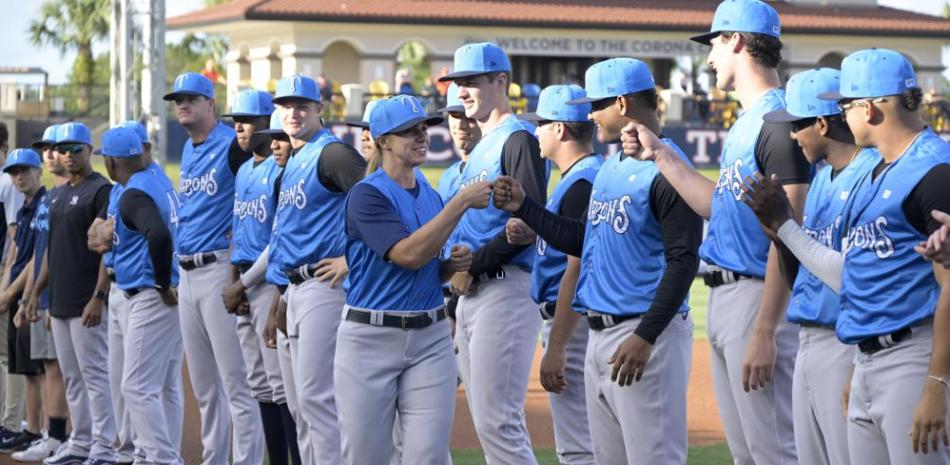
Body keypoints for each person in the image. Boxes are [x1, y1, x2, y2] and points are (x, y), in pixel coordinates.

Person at [739, 48, 950, 465]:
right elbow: (859, 277)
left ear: (868, 108)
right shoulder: (880, 173)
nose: (841, 116)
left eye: (847, 106)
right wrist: (859, 360)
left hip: (914, 353)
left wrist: (937, 381)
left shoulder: (934, 171)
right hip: (867, 354)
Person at [622, 2, 812, 463]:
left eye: (714, 43)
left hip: (758, 299)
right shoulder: (747, 123)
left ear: (736, 40)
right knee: (749, 454)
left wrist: (767, 329)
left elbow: (790, 231)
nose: (708, 58)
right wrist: (661, 155)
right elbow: (718, 207)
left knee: (776, 451)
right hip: (731, 299)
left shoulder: (777, 122)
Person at [495, 58, 703, 465]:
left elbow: (683, 260)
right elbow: (582, 240)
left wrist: (646, 335)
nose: (589, 115)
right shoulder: (612, 166)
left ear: (622, 104)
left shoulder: (668, 168)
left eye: (597, 104)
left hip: (643, 336)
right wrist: (525, 207)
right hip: (600, 336)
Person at [335, 94, 489, 465]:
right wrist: (461, 203)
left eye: (424, 127)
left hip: (430, 339)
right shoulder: (367, 195)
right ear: (383, 140)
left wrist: (451, 266)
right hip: (370, 339)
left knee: (428, 456)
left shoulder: (429, 195)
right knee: (366, 457)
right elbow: (407, 256)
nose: (422, 136)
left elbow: (428, 268)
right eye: (409, 131)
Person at [437, 42, 548, 464]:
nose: (462, 91)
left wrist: (475, 267)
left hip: (505, 289)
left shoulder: (517, 139)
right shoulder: (479, 150)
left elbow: (530, 220)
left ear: (500, 81)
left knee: (498, 421)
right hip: (471, 294)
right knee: (488, 421)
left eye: (471, 82)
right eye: (458, 83)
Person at [762, 67, 878, 465]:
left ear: (823, 123)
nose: (792, 136)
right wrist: (779, 235)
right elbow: (805, 277)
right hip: (808, 341)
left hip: (845, 344)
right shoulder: (823, 177)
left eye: (797, 126)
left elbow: (853, 278)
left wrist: (784, 226)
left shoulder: (871, 175)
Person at [164, 72, 264, 465]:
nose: (183, 104)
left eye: (191, 98)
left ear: (211, 105)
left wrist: (236, 274)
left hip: (219, 267)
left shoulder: (231, 146)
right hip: (186, 274)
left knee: (236, 383)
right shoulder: (189, 149)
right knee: (204, 387)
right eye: (178, 99)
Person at [270, 74, 367, 465]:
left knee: (318, 400)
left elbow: (379, 198)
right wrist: (280, 292)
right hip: (295, 288)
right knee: (300, 406)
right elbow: (285, 236)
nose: (294, 113)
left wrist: (351, 258)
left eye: (302, 106)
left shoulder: (332, 154)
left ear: (319, 110)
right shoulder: (295, 158)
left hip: (323, 287)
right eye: (287, 106)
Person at [86, 120, 182, 465]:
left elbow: (158, 235)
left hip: (149, 294)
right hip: (153, 292)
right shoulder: (155, 179)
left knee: (137, 387)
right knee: (164, 385)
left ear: (111, 162)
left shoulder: (134, 193)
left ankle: (162, 459)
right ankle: (148, 454)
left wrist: (160, 282)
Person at [514, 84, 599, 465]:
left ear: (561, 129)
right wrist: (537, 230)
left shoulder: (581, 183)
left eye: (542, 123)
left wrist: (558, 346)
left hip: (572, 324)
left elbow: (577, 267)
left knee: (578, 446)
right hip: (576, 323)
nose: (536, 132)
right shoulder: (580, 177)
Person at [24, 122, 116, 465]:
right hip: (59, 300)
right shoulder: (57, 194)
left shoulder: (100, 190)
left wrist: (99, 295)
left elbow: (107, 250)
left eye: (76, 148)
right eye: (63, 149)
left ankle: (104, 447)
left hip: (85, 300)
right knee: (73, 376)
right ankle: (81, 442)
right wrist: (36, 293)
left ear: (89, 150)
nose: (68, 154)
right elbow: (50, 251)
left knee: (95, 375)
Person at [217, 89, 296, 465]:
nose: (239, 128)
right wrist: (234, 279)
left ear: (268, 124)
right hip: (244, 284)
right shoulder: (245, 169)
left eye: (246, 121)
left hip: (268, 284)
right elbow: (238, 227)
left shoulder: (281, 171)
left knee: (281, 386)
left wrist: (241, 285)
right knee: (259, 384)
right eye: (236, 122)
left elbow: (278, 241)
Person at [13, 126, 69, 463]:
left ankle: (58, 436)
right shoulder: (49, 201)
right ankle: (53, 435)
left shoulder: (62, 196)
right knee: (50, 367)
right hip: (44, 295)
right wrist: (29, 296)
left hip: (64, 296)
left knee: (61, 370)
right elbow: (39, 254)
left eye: (54, 148)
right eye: (45, 149)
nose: (50, 154)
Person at [254, 111, 305, 465]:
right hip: (287, 291)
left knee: (312, 400)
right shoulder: (281, 181)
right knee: (288, 395)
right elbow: (281, 246)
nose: (274, 144)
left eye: (281, 138)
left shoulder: (313, 174)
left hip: (318, 293)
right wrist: (278, 300)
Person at [0, 149, 47, 453]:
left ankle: (27, 427)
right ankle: (26, 428)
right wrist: (3, 289)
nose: (19, 176)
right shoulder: (23, 210)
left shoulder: (45, 206)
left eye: (25, 170)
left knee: (34, 368)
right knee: (18, 364)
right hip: (15, 293)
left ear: (38, 171)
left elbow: (33, 260)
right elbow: (14, 254)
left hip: (31, 296)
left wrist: (10, 293)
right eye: (15, 171)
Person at [0, 121, 26, 447]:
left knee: (8, 355)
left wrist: (6, 284)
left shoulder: (9, 183)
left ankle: (10, 422)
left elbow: (14, 237)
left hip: (4, 273)